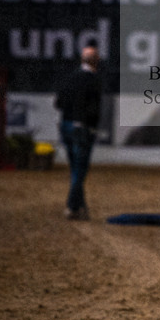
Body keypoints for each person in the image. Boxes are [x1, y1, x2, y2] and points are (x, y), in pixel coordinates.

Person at [55, 44, 102, 220]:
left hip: (66, 126)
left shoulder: (70, 78)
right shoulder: (95, 81)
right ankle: (72, 206)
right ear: (96, 62)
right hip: (83, 129)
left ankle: (81, 207)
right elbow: (95, 109)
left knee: (75, 168)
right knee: (79, 170)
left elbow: (58, 103)